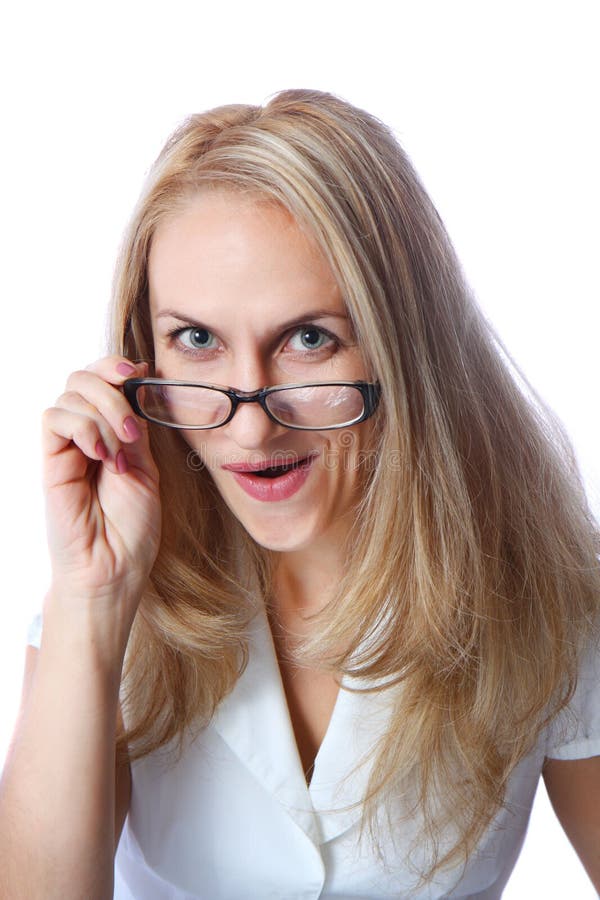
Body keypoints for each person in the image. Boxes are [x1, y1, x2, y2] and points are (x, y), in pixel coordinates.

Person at [1, 89, 599, 899]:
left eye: (308, 339)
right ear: (146, 353)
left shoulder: (553, 599)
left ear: (402, 348)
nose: (251, 429)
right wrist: (92, 602)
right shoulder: (104, 600)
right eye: (198, 340)